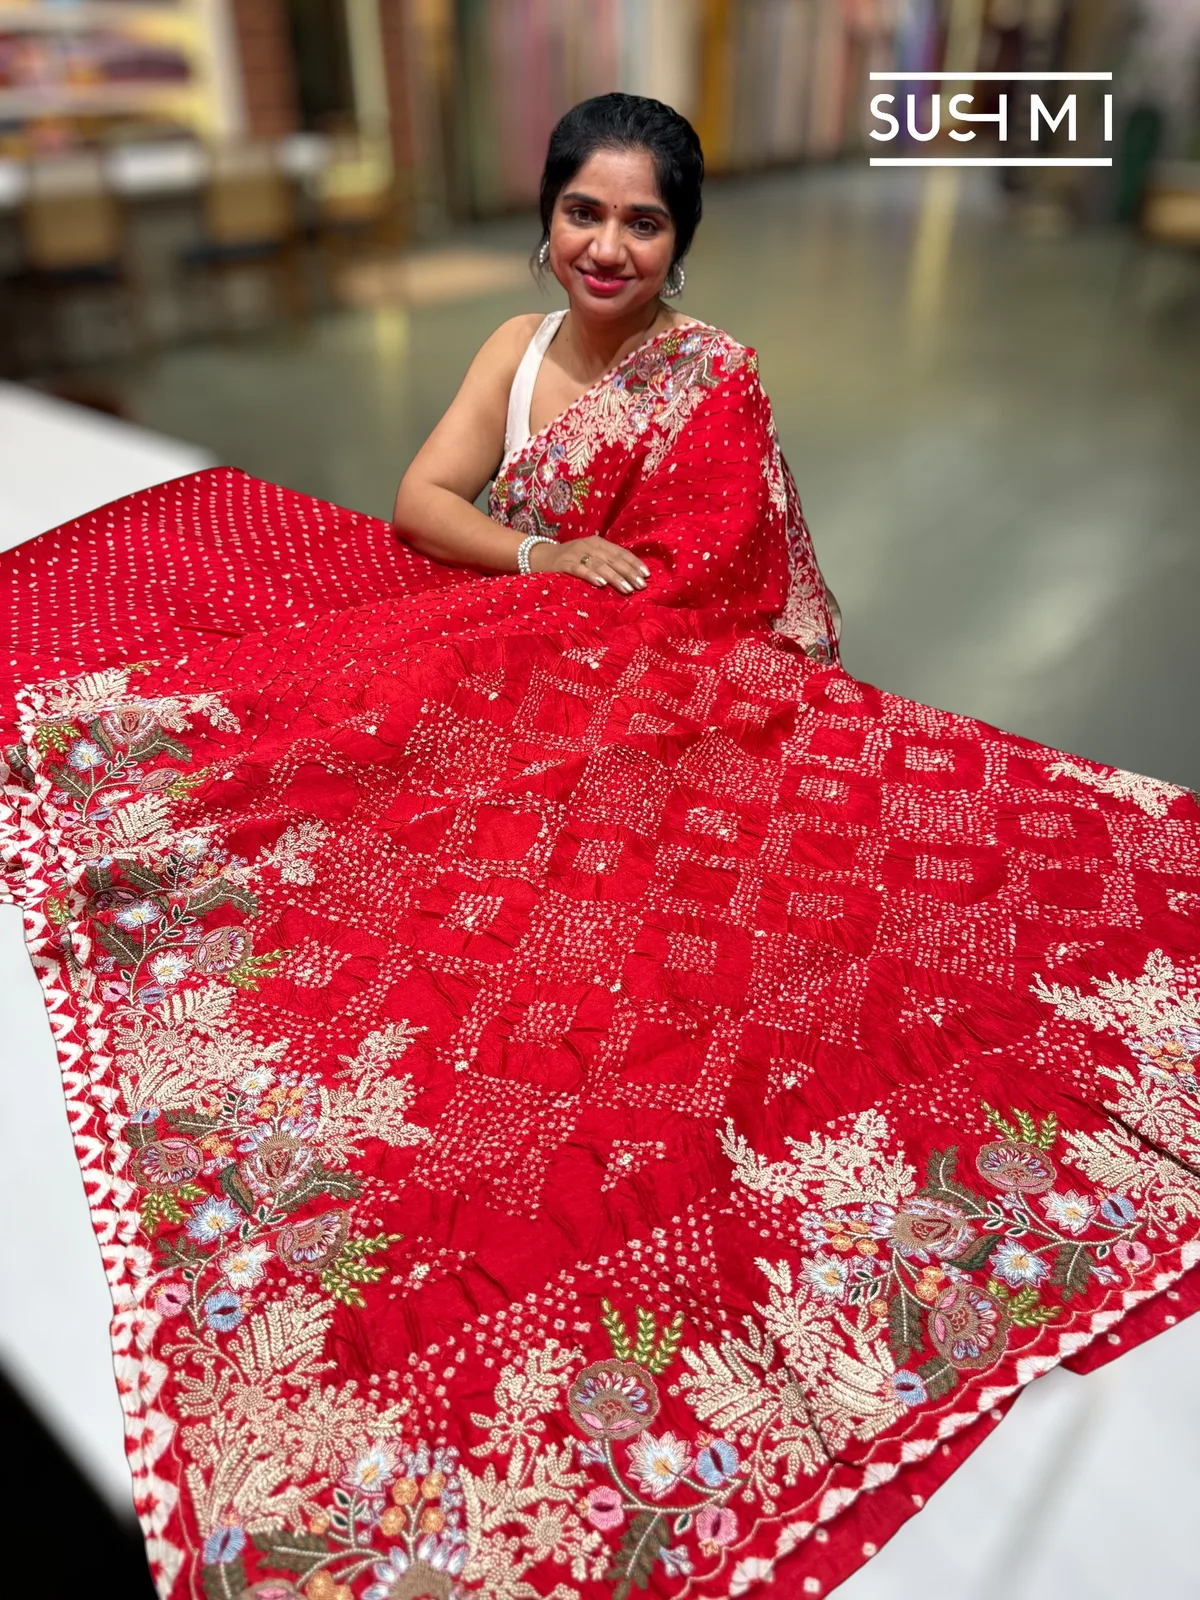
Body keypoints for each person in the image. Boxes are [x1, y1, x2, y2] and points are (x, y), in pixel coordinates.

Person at [1, 94, 1198, 1600]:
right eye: (585, 211)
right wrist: (543, 558)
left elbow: (721, 584)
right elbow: (422, 503)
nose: (608, 245)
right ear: (548, 214)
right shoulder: (513, 350)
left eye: (643, 221)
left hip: (657, 681)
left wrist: (596, 625)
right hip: (515, 634)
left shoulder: (713, 379)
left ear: (680, 240)